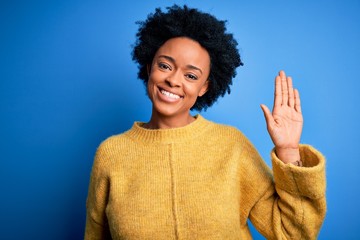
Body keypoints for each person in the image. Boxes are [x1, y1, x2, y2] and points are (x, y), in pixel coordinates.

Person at [84, 5, 326, 240]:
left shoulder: (231, 146)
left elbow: (294, 234)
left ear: (204, 87)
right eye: (165, 66)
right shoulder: (111, 155)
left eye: (191, 76)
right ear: (150, 68)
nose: (173, 81)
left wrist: (288, 150)